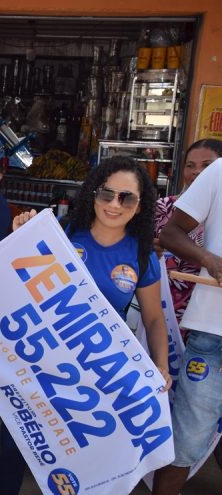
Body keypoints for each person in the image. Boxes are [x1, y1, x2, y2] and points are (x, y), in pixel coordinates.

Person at [5, 156, 171, 494]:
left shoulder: (141, 255)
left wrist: (161, 366)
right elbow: (16, 284)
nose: (114, 204)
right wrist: (19, 238)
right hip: (43, 362)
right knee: (19, 441)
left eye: (127, 198)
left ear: (140, 207)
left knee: (83, 456)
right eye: (106, 194)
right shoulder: (61, 234)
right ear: (92, 195)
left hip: (99, 374)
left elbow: (154, 319)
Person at [152, 158, 222, 495]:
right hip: (213, 333)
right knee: (185, 443)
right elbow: (170, 232)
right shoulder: (220, 171)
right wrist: (209, 259)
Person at [153, 139, 222, 331]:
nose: (198, 172)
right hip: (165, 305)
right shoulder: (164, 207)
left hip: (205, 306)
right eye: (190, 166)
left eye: (206, 166)